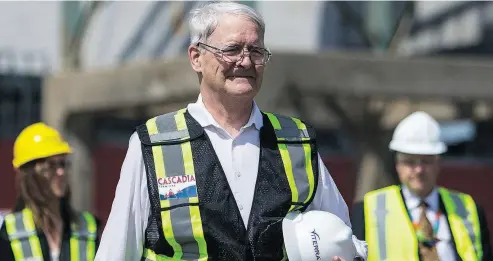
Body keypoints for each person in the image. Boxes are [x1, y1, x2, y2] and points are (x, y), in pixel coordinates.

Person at [95, 2, 367, 261]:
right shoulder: (154, 143)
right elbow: (117, 249)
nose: (246, 61)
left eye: (256, 51)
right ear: (196, 58)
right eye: (233, 49)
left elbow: (342, 234)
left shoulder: (296, 140)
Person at [350, 111, 492, 261]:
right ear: (397, 164)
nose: (419, 170)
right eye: (410, 161)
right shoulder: (368, 209)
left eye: (426, 161)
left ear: (438, 162)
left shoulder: (468, 209)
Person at [0, 122, 101, 261]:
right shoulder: (10, 231)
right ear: (29, 174)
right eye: (50, 165)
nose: (61, 172)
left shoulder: (88, 227)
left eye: (63, 164)